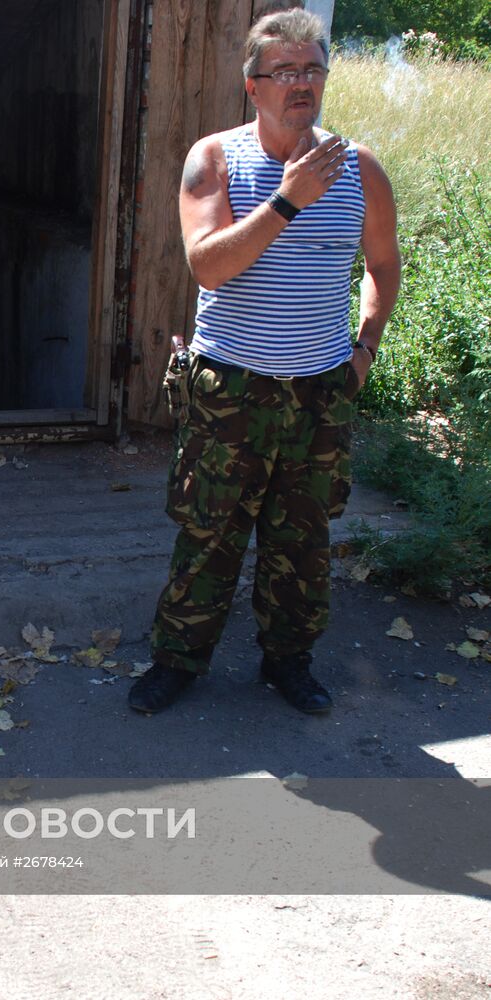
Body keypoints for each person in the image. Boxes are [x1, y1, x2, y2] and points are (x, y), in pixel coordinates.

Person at [128, 7, 400, 716]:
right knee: (209, 532)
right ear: (252, 86)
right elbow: (207, 266)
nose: (300, 83)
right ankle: (177, 661)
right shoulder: (213, 158)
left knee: (302, 541)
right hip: (230, 388)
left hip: (318, 391)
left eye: (311, 69)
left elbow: (382, 265)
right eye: (284, 71)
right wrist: (287, 200)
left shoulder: (360, 168)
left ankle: (288, 662)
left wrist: (364, 344)